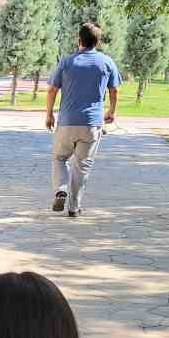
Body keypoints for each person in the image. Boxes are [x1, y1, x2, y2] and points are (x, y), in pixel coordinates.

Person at [44, 23, 120, 218]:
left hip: (67, 122)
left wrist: (49, 113)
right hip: (92, 123)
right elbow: (114, 90)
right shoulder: (106, 62)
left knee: (60, 158)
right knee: (82, 165)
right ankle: (74, 208)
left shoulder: (67, 62)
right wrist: (111, 111)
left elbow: (52, 89)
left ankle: (61, 189)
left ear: (79, 40)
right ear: (98, 41)